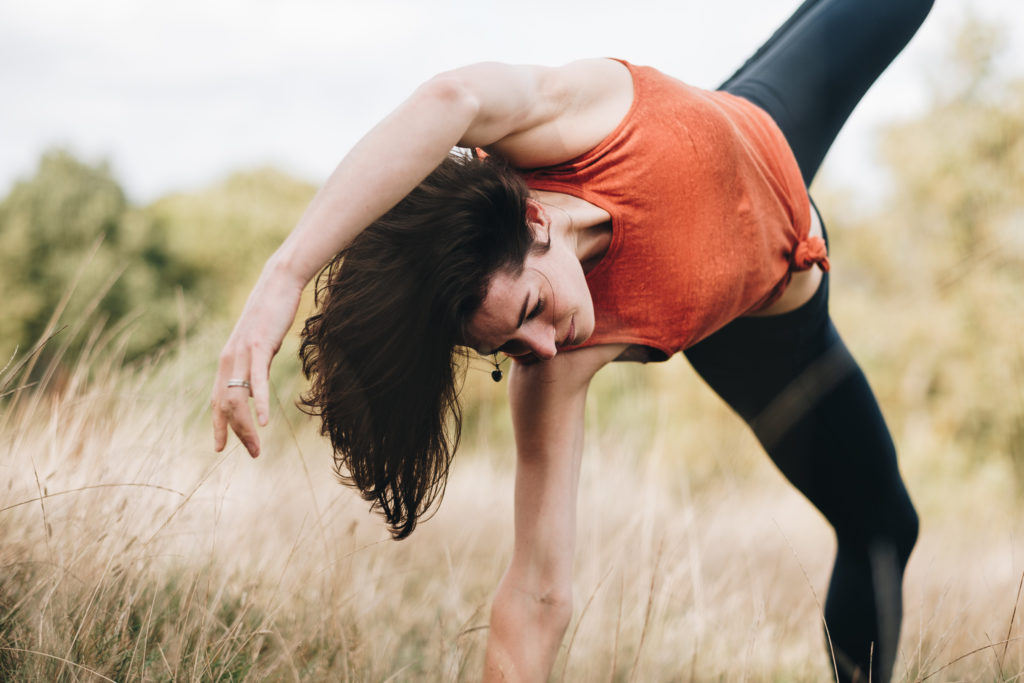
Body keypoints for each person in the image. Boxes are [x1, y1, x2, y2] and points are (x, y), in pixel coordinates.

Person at [211, 0, 934, 680]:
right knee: (883, 525)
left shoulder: (576, 125)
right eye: (511, 347)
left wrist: (286, 275)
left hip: (763, 126)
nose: (545, 347)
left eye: (531, 306)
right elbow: (536, 595)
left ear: (534, 224)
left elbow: (449, 99)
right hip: (766, 326)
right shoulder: (552, 377)